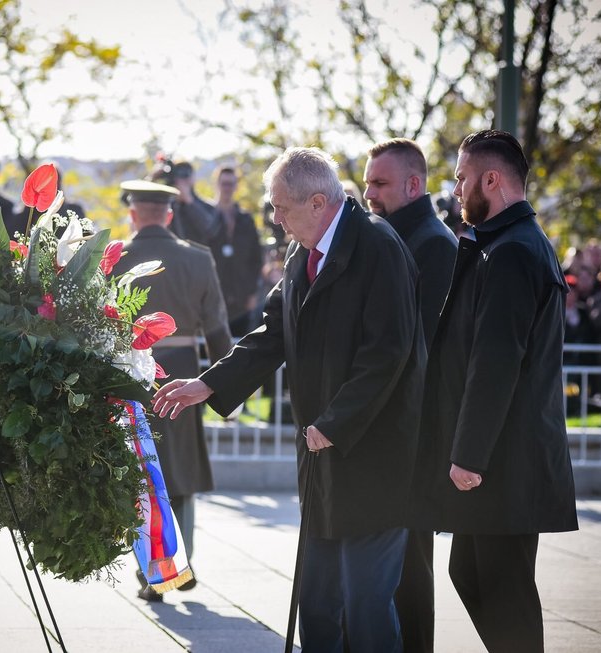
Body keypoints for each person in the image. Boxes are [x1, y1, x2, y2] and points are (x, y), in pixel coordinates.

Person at [154, 147, 425, 650]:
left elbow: (388, 354)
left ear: (318, 201)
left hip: (373, 456)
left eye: (280, 208)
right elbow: (271, 333)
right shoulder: (305, 252)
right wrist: (207, 384)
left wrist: (335, 423)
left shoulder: (379, 247)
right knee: (318, 605)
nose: (274, 219)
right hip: (321, 456)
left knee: (366, 607)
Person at [411, 130, 578, 653]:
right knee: (471, 573)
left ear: (492, 179)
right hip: (501, 456)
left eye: (462, 178)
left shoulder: (512, 252)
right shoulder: (507, 244)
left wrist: (468, 455)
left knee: (503, 589)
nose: (456, 189)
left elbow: (496, 363)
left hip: (504, 459)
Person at [110, 179, 233, 602]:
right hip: (182, 375)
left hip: (128, 375)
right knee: (180, 474)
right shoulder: (197, 260)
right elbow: (217, 330)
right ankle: (182, 562)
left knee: (139, 472)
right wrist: (227, 389)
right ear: (168, 214)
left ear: (132, 214)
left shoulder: (114, 259)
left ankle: (149, 573)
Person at [363, 138, 458, 653]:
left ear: (413, 184)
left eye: (379, 183)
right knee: (384, 570)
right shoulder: (395, 237)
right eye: (367, 182)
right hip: (393, 432)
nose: (368, 192)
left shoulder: (432, 244)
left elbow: (420, 349)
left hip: (414, 436)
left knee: (410, 573)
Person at [209, 166, 264, 336]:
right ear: (217, 184)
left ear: (236, 186)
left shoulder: (245, 219)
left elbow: (256, 257)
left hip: (241, 297)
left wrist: (252, 292)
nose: (227, 188)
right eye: (224, 183)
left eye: (231, 184)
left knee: (239, 344)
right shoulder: (205, 215)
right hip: (213, 295)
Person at [150, 158, 218, 245]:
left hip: (196, 256)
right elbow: (131, 201)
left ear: (193, 178)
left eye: (186, 175)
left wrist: (189, 202)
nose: (181, 181)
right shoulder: (165, 206)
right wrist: (151, 178)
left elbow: (212, 231)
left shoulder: (207, 207)